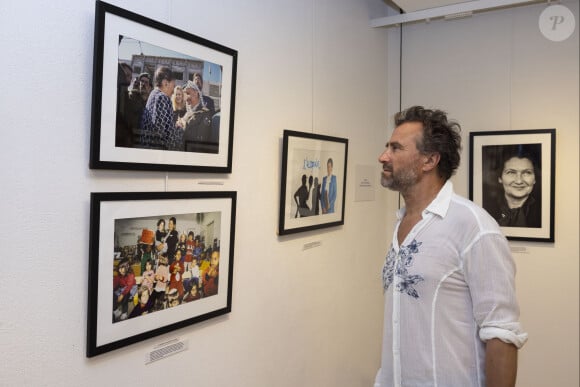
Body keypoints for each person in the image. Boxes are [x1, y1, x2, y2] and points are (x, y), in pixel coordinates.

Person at [375, 106, 527, 387]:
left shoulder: (474, 228)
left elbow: (501, 333)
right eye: (387, 147)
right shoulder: (401, 223)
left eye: (395, 148)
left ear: (429, 160)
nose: (383, 157)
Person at [484, 152, 541, 228]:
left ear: (534, 179)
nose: (519, 181)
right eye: (511, 172)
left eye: (527, 173)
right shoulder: (486, 209)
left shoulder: (543, 212)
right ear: (500, 178)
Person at [140, 66, 183, 150]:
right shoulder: (162, 97)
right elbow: (164, 135)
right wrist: (180, 129)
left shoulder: (153, 93)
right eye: (173, 86)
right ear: (165, 83)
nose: (174, 90)